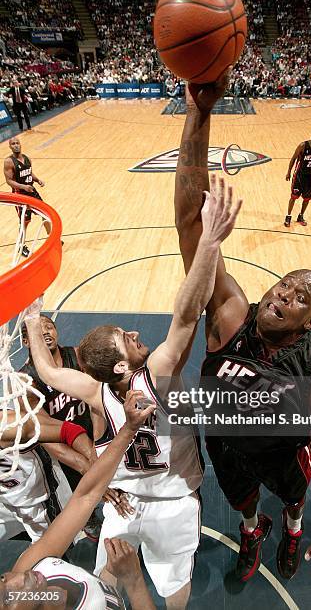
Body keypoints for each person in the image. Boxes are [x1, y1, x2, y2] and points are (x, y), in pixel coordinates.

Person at [24, 182, 241, 610]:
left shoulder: (93, 390)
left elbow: (48, 369)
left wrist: (33, 320)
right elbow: (186, 311)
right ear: (122, 366)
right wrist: (210, 242)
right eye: (127, 337)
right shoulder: (158, 374)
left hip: (120, 501)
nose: (136, 333)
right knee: (173, 582)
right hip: (173, 504)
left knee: (107, 576)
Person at [174, 72, 311, 582]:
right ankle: (254, 531)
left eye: (299, 299)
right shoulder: (230, 313)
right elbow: (190, 219)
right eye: (283, 286)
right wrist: (197, 115)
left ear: (308, 322)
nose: (283, 296)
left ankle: (292, 529)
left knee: (292, 498)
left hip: (283, 456)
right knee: (244, 501)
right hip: (226, 444)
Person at [0, 390, 156, 610]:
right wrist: (135, 582)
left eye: (2, 580)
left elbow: (86, 496)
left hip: (31, 498)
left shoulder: (32, 565)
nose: (16, 578)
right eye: (9, 598)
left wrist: (129, 428)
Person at [20, 314, 102, 542]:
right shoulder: (26, 380)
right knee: (79, 486)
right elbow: (46, 436)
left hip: (87, 430)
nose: (46, 332)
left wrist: (97, 439)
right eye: (39, 330)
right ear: (27, 342)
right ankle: (89, 521)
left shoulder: (76, 356)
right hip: (58, 447)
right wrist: (85, 464)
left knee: (104, 470)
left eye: (50, 327)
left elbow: (97, 399)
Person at [0, 403, 94, 543]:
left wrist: (95, 470)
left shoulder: (10, 424)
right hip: (5, 499)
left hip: (37, 499)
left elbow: (69, 431)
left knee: (51, 548)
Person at [4, 137, 50, 258]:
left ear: (20, 144)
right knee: (25, 221)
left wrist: (37, 179)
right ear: (10, 146)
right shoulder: (9, 162)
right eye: (13, 144)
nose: (16, 145)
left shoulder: (27, 158)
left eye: (17, 143)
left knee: (45, 214)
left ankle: (51, 238)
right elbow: (9, 181)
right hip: (20, 194)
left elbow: (29, 173)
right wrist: (23, 187)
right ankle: (21, 246)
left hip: (31, 190)